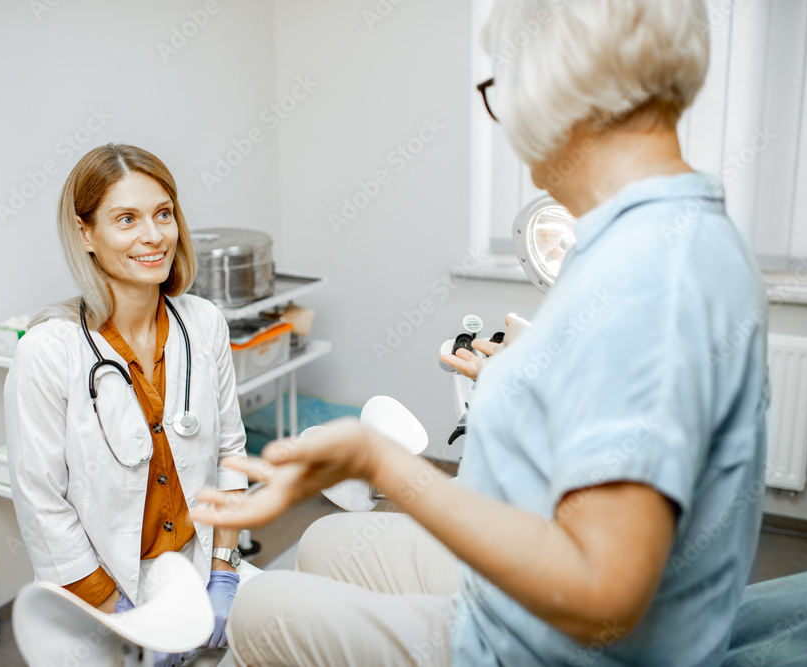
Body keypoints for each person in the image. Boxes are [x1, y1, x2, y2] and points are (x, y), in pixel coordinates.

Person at [191, 0, 770, 665]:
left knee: (261, 611)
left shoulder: (646, 277)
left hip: (546, 645)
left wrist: (380, 462)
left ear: (560, 82)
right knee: (324, 543)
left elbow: (600, 596)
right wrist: (525, 375)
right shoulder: (676, 232)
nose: (507, 122)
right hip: (538, 587)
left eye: (501, 89)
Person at [4, 143, 248, 666]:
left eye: (163, 214)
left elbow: (231, 452)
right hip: (105, 590)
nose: (153, 235)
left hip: (200, 562)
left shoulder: (203, 323)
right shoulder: (48, 351)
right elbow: (42, 504)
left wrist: (225, 570)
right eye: (126, 219)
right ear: (85, 233)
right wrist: (126, 620)